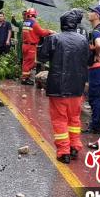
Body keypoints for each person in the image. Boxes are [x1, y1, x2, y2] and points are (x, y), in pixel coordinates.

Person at [38, 9, 89, 164]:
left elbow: (41, 57)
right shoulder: (83, 40)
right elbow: (88, 59)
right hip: (77, 86)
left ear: (63, 23)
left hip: (58, 87)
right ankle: (75, 146)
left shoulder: (54, 39)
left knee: (60, 119)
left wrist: (43, 41)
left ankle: (63, 151)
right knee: (74, 118)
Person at [83, 6, 100, 134]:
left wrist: (97, 52)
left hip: (96, 67)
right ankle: (98, 122)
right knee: (99, 96)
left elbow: (99, 44)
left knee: (95, 97)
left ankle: (96, 126)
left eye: (92, 12)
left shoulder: (96, 31)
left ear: (97, 16)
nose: (89, 13)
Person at [21, 8, 54, 85]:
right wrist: (50, 31)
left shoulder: (25, 22)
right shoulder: (33, 23)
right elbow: (41, 32)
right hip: (31, 46)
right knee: (29, 63)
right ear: (34, 15)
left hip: (25, 45)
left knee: (26, 62)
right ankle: (25, 79)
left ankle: (25, 77)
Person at [11, 11, 27, 77]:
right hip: (20, 42)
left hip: (26, 43)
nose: (24, 16)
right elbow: (15, 23)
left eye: (25, 15)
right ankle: (20, 70)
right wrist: (13, 18)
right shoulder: (21, 23)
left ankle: (24, 71)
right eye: (23, 15)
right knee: (20, 56)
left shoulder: (29, 23)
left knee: (25, 57)